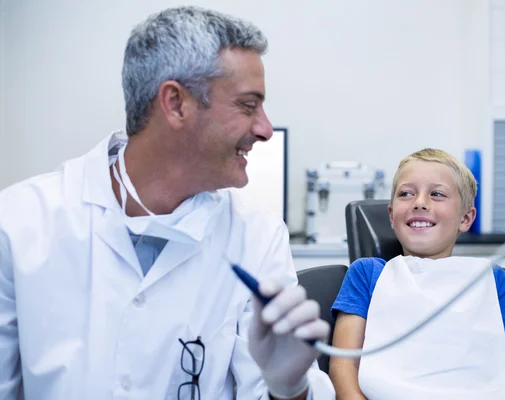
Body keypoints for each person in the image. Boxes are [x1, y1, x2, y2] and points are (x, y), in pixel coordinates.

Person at [0, 6, 335, 400]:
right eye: (248, 105)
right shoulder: (20, 222)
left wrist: (288, 386)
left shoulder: (257, 235)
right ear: (176, 103)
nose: (264, 129)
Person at [329, 148, 505, 399]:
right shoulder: (367, 274)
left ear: (466, 218)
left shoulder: (488, 278)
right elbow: (342, 366)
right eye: (406, 193)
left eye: (437, 194)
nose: (419, 202)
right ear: (391, 215)